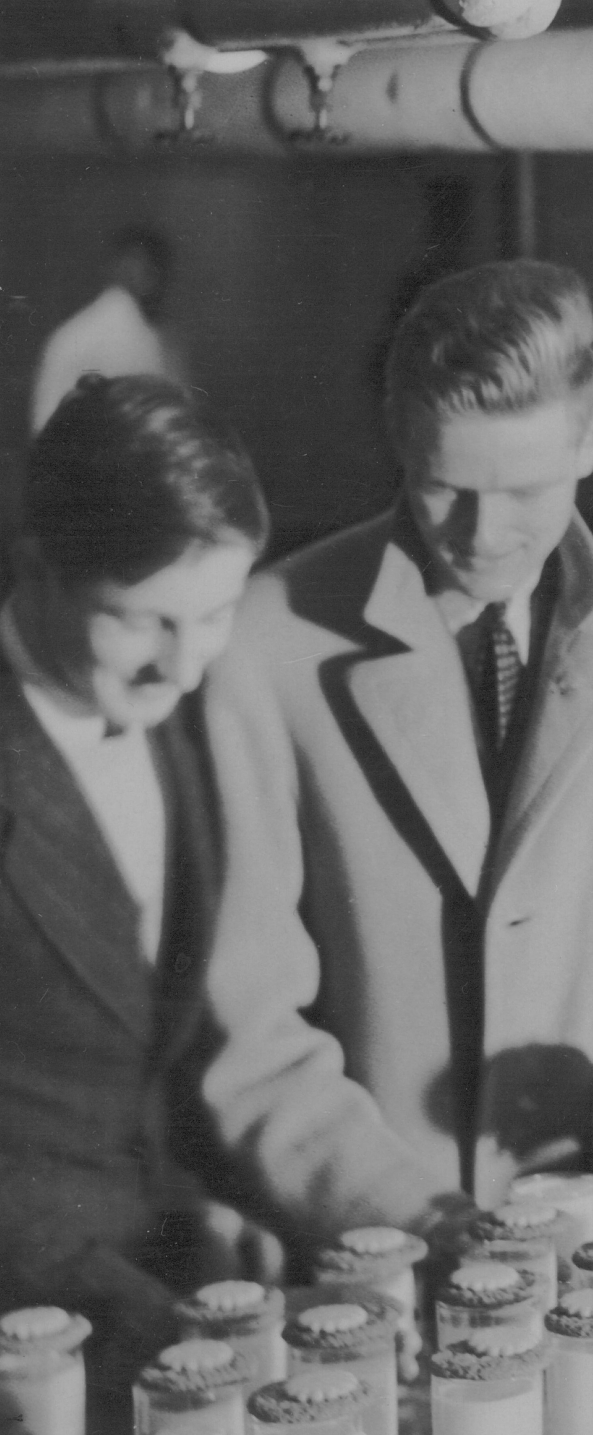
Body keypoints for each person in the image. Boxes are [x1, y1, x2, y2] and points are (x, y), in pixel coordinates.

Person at [199, 260, 593, 1249]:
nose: (482, 536)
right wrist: (434, 1229)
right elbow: (248, 1042)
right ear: (398, 438)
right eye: (444, 486)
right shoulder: (262, 644)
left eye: (524, 489)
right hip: (366, 1260)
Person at [0, 375, 263, 1383]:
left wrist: (195, 1217)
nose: (186, 665)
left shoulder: (182, 712)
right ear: (40, 568)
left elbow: (139, 1065)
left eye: (218, 613)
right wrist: (123, 1301)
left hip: (152, 1294)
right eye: (144, 621)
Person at [31, 228, 188, 435]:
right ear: (119, 265)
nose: (145, 274)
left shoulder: (158, 335)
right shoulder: (92, 335)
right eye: (137, 263)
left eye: (154, 267)